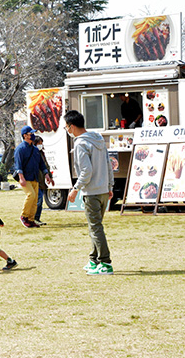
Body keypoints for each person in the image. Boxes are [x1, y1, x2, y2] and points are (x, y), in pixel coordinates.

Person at [63, 110, 115, 276]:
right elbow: (108, 164)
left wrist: (75, 189)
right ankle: (94, 260)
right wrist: (110, 186)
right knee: (96, 227)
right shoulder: (98, 139)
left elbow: (86, 171)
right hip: (103, 191)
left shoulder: (80, 144)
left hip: (91, 192)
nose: (67, 131)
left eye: (66, 127)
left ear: (71, 126)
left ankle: (105, 263)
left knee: (95, 228)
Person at [14, 126, 53, 228]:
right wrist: (21, 177)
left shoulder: (35, 149)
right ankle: (24, 216)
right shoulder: (20, 149)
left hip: (35, 177)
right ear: (25, 136)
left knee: (35, 199)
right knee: (30, 195)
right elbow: (18, 165)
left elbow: (41, 164)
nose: (33, 135)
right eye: (30, 133)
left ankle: (31, 219)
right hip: (26, 178)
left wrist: (47, 175)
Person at [33, 136, 51, 226]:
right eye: (39, 143)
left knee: (40, 200)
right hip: (35, 180)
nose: (41, 145)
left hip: (42, 181)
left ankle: (37, 218)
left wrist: (49, 176)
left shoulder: (42, 154)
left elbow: (45, 166)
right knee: (38, 200)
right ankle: (33, 218)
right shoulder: (33, 153)